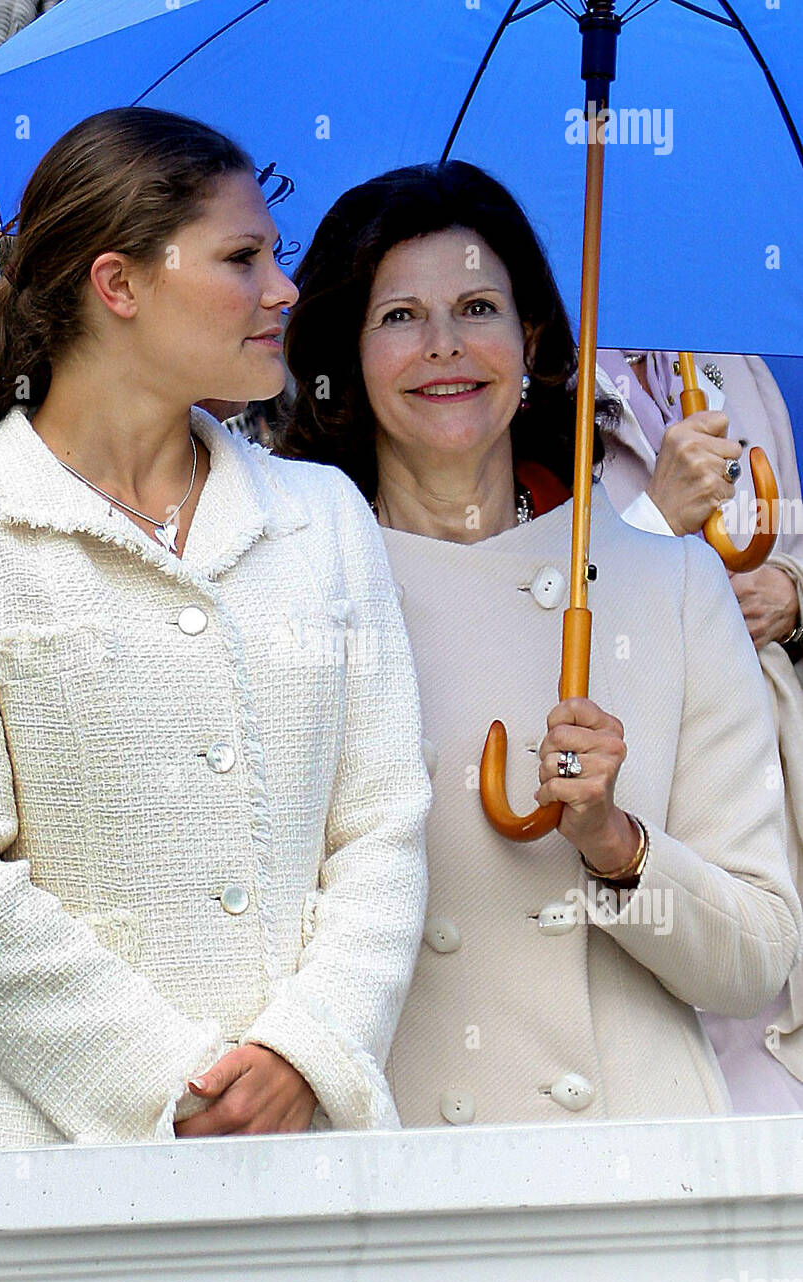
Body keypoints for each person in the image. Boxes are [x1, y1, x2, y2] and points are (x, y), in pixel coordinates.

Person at [0, 108, 431, 1151]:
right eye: (241, 257)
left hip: (312, 1158)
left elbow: (383, 822)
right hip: (54, 1176)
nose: (283, 289)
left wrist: (305, 1052)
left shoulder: (326, 517)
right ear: (118, 285)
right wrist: (170, 1085)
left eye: (277, 255)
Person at [277, 159, 802, 1127]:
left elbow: (753, 960)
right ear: (344, 354)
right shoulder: (290, 584)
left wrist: (616, 844)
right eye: (398, 317)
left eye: (477, 307)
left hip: (629, 1176)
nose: (444, 348)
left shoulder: (667, 579)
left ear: (530, 341)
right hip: (386, 1171)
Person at [597, 349, 803, 1111]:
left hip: (768, 800)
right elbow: (529, 602)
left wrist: (791, 591)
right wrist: (652, 519)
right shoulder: (531, 366)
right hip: (631, 799)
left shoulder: (734, 365)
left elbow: (793, 538)